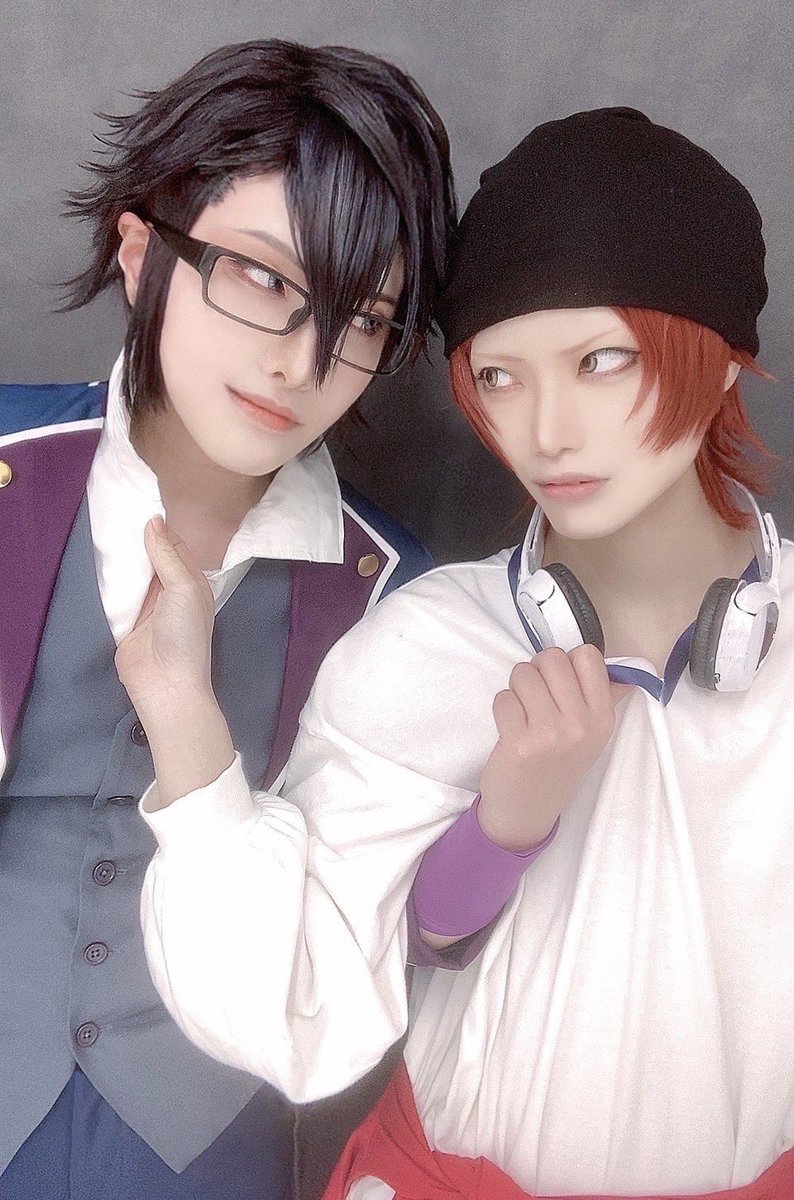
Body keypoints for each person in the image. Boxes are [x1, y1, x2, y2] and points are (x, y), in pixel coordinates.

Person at [132, 107, 793, 1198]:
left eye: (601, 361)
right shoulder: (431, 641)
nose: (545, 431)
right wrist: (500, 829)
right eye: (498, 376)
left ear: (721, 360)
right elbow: (290, 999)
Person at [0, 38, 456, 1200]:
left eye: (360, 320)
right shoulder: (6, 465)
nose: (298, 361)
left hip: (207, 1145)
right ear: (140, 251)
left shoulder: (388, 590)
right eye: (260, 277)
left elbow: (343, 960)